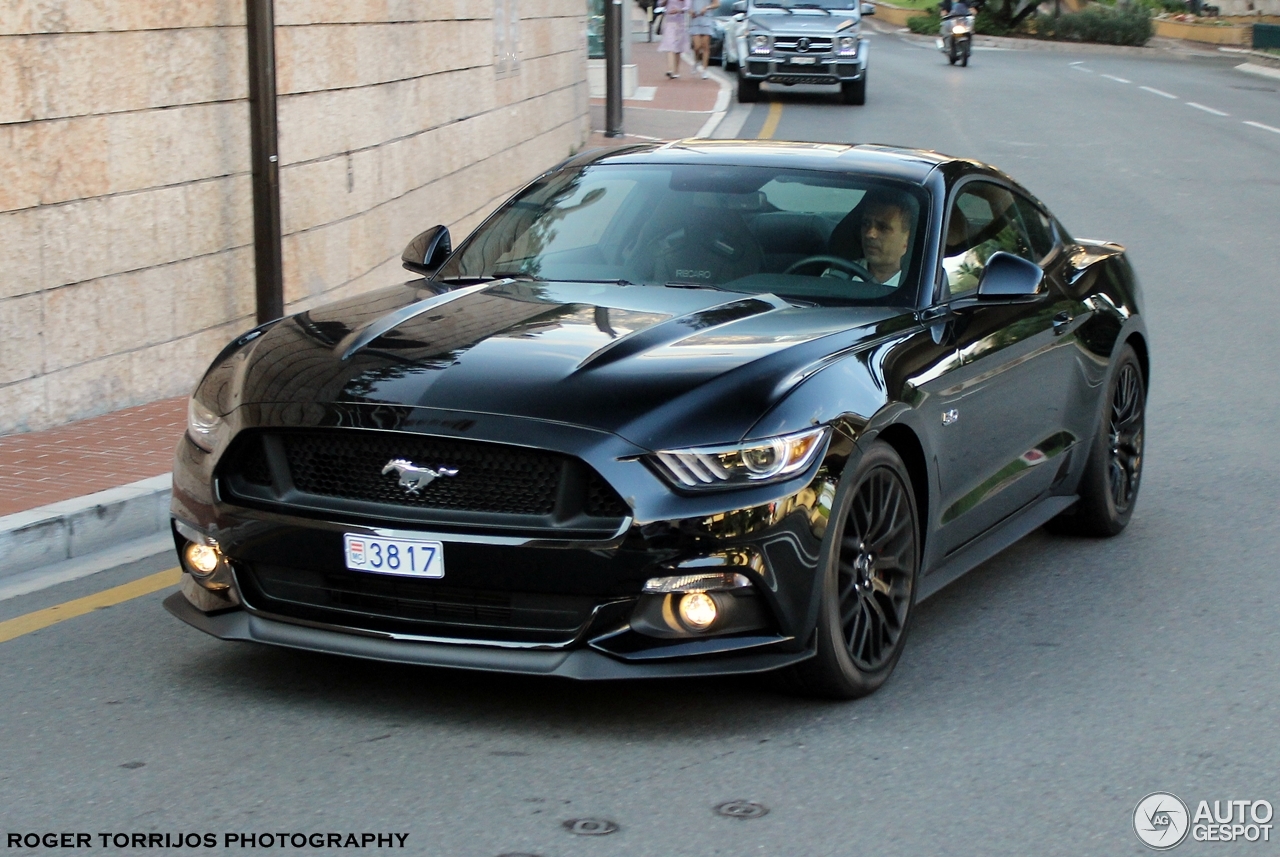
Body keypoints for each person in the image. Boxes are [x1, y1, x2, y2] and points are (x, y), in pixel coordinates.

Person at [855, 190, 914, 286]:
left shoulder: (920, 286)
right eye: (866, 224)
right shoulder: (837, 276)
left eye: (883, 227)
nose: (870, 234)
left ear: (908, 238)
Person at [658, 0, 691, 78]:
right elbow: (660, 4)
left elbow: (688, 6)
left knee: (678, 48)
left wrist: (679, 10)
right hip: (669, 22)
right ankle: (670, 69)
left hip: (680, 23)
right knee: (669, 45)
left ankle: (676, 71)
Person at [688, 0, 720, 79]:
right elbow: (686, 4)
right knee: (697, 46)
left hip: (707, 19)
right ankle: (696, 61)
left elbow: (717, 4)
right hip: (695, 19)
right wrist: (690, 10)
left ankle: (704, 70)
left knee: (705, 46)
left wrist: (707, 7)